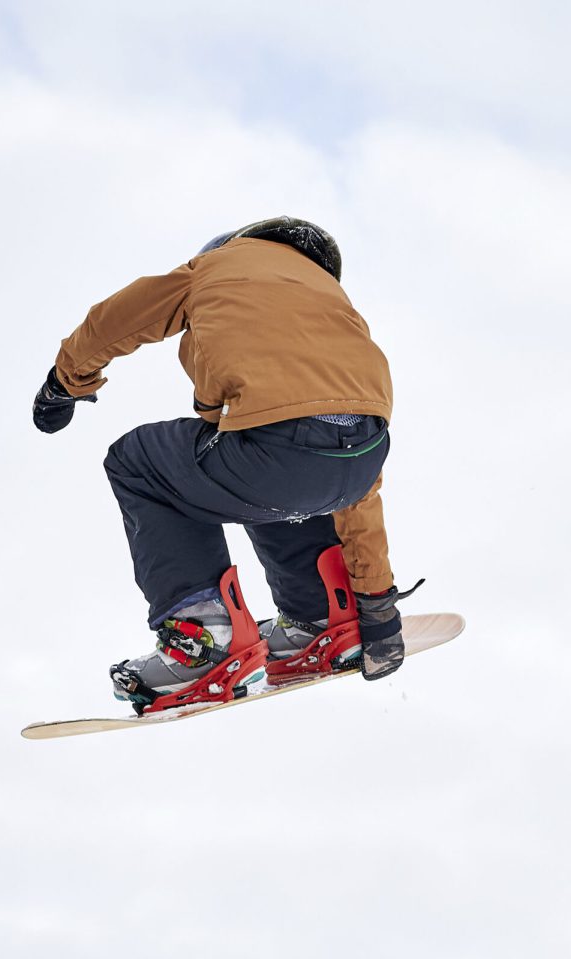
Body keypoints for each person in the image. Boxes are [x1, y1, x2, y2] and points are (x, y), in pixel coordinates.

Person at [33, 217, 421, 711]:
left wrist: (65, 382)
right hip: (359, 457)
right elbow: (357, 491)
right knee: (273, 475)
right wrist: (377, 608)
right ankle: (320, 621)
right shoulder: (334, 306)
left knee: (139, 462)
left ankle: (202, 640)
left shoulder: (217, 266)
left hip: (271, 454)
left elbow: (116, 320)